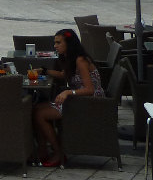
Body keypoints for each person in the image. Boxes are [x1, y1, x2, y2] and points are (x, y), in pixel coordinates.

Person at [31, 28, 105, 167]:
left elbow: (90, 89)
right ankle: (43, 150)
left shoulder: (81, 60)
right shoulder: (71, 58)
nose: (55, 46)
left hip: (90, 103)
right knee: (36, 108)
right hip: (79, 100)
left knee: (40, 114)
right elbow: (64, 75)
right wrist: (45, 71)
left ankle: (58, 152)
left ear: (69, 43)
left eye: (58, 42)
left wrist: (68, 93)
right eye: (55, 43)